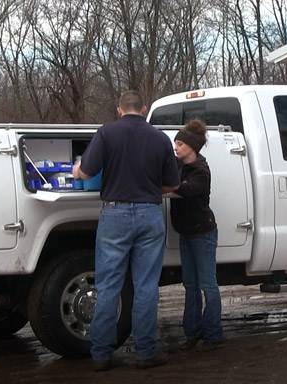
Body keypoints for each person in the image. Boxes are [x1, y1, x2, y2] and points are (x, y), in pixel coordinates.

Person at [73, 90, 180, 371]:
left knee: (108, 285)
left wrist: (76, 170)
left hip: (115, 213)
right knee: (146, 287)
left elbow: (87, 170)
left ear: (119, 110)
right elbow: (172, 184)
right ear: (143, 109)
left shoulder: (107, 133)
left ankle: (101, 355)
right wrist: (145, 192)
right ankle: (145, 353)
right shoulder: (160, 138)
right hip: (149, 213)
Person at [171, 119, 224, 352]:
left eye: (180, 144)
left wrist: (169, 184)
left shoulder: (201, 171)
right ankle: (192, 333)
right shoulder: (178, 165)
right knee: (190, 284)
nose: (176, 147)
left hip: (203, 234)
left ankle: (213, 335)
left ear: (192, 146)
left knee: (207, 285)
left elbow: (187, 190)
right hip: (186, 233)